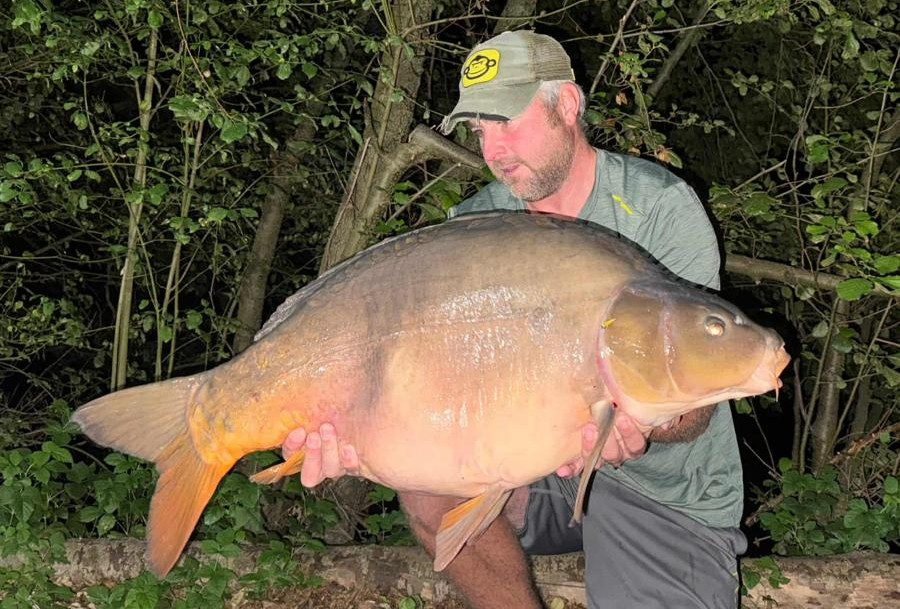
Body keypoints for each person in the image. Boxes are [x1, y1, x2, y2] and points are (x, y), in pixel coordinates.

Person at [281, 31, 747, 609]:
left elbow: (697, 406)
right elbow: (442, 390)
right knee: (427, 490)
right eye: (479, 131)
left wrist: (643, 426)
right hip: (531, 470)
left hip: (661, 487)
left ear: (567, 105)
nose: (493, 150)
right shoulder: (474, 225)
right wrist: (364, 436)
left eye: (505, 122)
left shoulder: (658, 208)